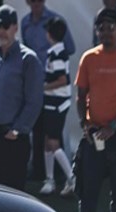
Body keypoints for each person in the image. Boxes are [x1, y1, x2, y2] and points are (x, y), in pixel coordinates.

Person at [75, 7, 116, 212]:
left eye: (111, 27)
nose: (106, 32)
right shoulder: (88, 58)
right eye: (101, 27)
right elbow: (80, 94)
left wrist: (115, 125)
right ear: (96, 31)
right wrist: (84, 123)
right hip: (94, 134)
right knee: (88, 189)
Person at [0, 4, 42, 192]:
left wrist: (17, 130)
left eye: (5, 26)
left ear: (15, 27)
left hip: (13, 139)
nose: (1, 31)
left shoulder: (28, 59)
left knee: (14, 197)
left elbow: (34, 101)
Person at [20, 0, 74, 182]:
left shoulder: (56, 21)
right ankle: (41, 172)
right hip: (36, 81)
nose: (35, 3)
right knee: (37, 129)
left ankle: (65, 175)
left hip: (51, 88)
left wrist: (55, 59)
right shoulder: (25, 22)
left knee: (52, 133)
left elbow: (70, 48)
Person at [38, 17, 75, 196]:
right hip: (53, 102)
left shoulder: (57, 53)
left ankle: (72, 177)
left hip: (57, 103)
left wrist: (42, 87)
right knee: (48, 142)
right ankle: (50, 180)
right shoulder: (57, 51)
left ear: (50, 34)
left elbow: (62, 80)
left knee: (53, 142)